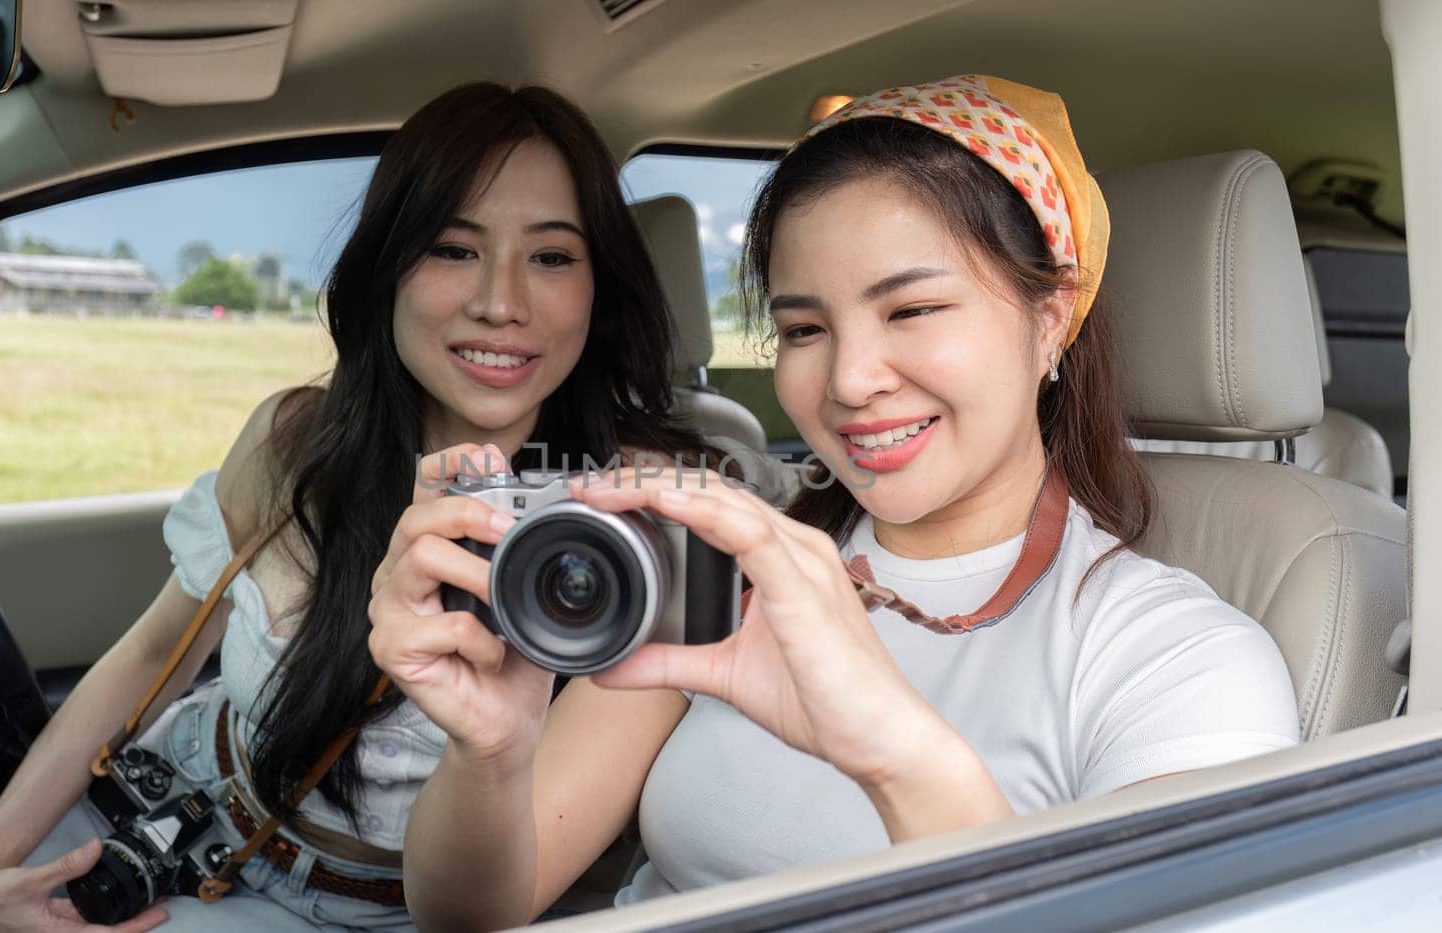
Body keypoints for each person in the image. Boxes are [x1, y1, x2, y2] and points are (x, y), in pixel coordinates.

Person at [370, 75, 1302, 931]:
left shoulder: (1176, 658)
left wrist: (891, 747)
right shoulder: (718, 569)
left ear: (1049, 319)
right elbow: (470, 915)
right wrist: (490, 754)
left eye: (913, 310)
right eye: (805, 328)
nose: (851, 381)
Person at [0, 81, 716, 932]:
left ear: (601, 285)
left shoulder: (649, 530)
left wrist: (490, 743)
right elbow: (156, 650)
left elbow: (482, 911)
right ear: (387, 269)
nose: (500, 302)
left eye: (553, 256)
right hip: (166, 805)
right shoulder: (295, 438)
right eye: (454, 248)